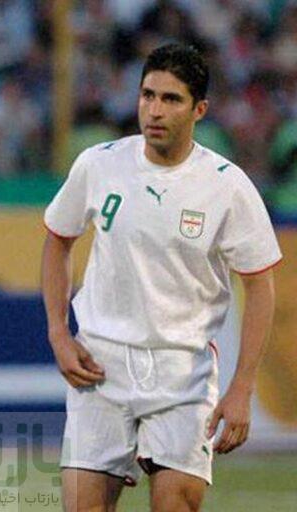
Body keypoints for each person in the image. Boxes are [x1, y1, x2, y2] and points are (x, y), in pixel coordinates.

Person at [42, 44, 281, 512]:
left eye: (171, 99)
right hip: (100, 365)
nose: (154, 110)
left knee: (176, 506)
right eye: (147, 95)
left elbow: (259, 285)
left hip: (182, 370)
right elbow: (58, 240)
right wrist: (58, 331)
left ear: (199, 110)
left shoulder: (227, 185)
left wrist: (242, 387)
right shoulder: (99, 164)